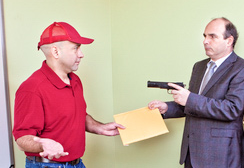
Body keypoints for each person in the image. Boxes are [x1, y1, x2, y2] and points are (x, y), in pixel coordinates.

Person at [12, 21, 125, 168]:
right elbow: (22, 139)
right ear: (56, 52)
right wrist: (43, 145)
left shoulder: (75, 80)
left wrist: (100, 128)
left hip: (76, 163)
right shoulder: (32, 88)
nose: (81, 54)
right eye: (76, 48)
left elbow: (77, 115)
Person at [148, 17, 244, 168]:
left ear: (229, 40)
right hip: (192, 152)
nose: (205, 41)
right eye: (205, 36)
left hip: (222, 155)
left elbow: (232, 109)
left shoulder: (240, 68)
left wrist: (189, 99)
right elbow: (192, 105)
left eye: (212, 36)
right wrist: (167, 108)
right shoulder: (199, 67)